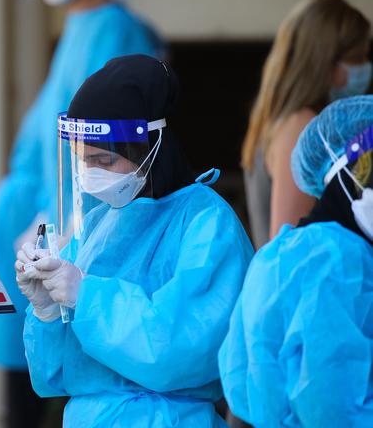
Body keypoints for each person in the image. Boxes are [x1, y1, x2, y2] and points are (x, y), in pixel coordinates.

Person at [0, 0, 166, 425]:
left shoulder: (115, 29)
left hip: (74, 225)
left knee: (63, 371)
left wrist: (59, 215)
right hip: (36, 223)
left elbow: (109, 148)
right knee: (30, 366)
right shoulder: (77, 30)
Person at [16, 55, 253, 427]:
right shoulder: (96, 225)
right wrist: (47, 312)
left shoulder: (208, 225)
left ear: (152, 146)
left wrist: (86, 296)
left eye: (104, 161)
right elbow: (53, 378)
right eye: (82, 161)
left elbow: (175, 351)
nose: (90, 175)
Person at [219, 96, 373, 427]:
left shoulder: (283, 252)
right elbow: (331, 408)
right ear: (351, 171)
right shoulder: (337, 261)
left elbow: (239, 381)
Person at [241, 0, 370, 250]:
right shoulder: (300, 127)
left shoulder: (283, 122)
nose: (366, 67)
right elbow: (288, 246)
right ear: (325, 63)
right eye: (358, 58)